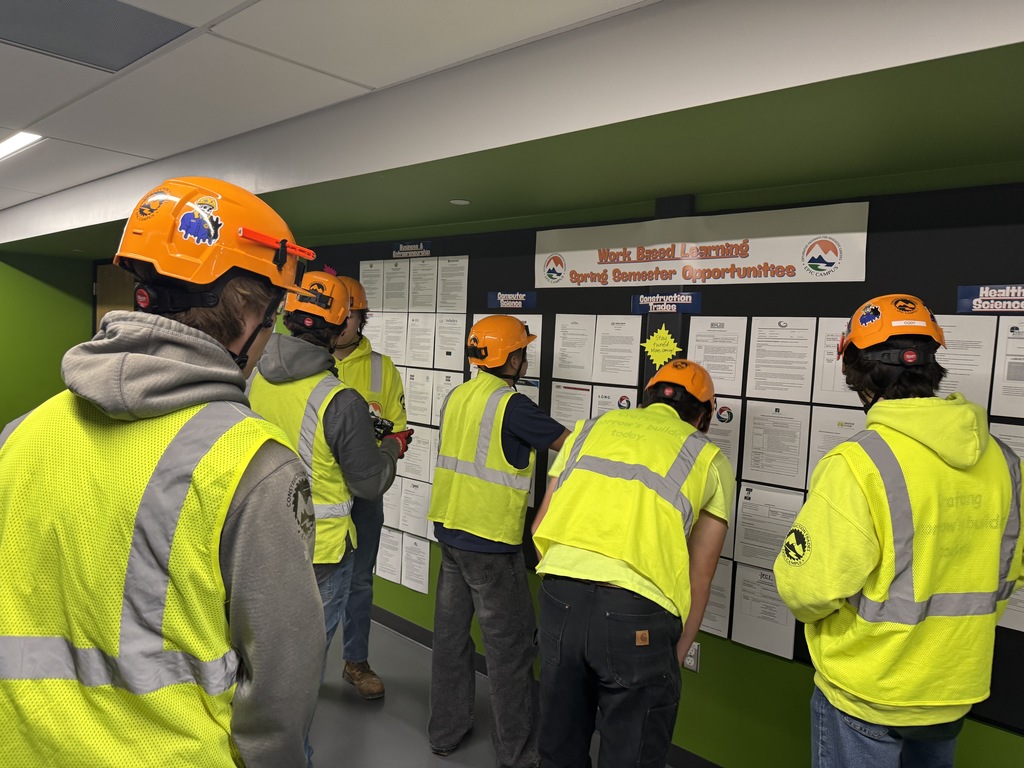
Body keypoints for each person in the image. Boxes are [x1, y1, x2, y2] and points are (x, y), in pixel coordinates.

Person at [0, 176, 327, 767]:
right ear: (249, 308)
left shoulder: (20, 435)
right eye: (273, 313)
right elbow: (281, 690)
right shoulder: (254, 466)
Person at [773, 293, 1024, 768]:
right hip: (953, 685)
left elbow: (806, 588)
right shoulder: (1004, 461)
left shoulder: (859, 462)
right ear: (932, 366)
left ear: (857, 372)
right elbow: (1010, 571)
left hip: (870, 686)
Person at [530, 358, 734, 768]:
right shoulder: (709, 458)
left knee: (558, 747)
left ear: (648, 398)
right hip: (637, 614)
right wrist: (674, 654)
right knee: (632, 754)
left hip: (559, 596)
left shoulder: (588, 431)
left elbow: (542, 525)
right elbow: (700, 574)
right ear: (705, 415)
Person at [247, 270, 412, 765]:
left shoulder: (253, 374)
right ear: (338, 322)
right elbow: (367, 481)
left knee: (261, 653)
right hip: (319, 548)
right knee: (302, 669)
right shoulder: (335, 397)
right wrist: (386, 448)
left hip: (263, 534)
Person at [427, 315, 569, 767]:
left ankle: (445, 732)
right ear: (511, 357)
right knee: (510, 652)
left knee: (451, 641)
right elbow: (569, 446)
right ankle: (518, 752)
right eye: (523, 351)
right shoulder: (514, 405)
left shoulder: (459, 395)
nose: (526, 358)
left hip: (450, 533)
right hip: (490, 542)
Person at [331, 273, 408, 700]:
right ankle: (289, 665)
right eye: (337, 314)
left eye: (352, 314)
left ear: (362, 318)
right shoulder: (302, 366)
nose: (343, 321)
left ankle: (355, 661)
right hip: (310, 492)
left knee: (359, 581)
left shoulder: (382, 368)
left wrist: (390, 444)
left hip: (363, 495)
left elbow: (396, 429)